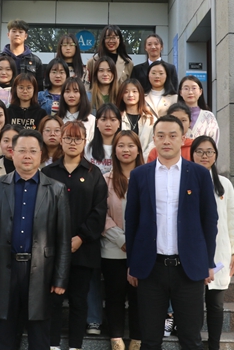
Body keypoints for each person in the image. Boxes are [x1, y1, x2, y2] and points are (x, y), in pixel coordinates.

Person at [124, 115, 218, 350]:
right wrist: (132, 263)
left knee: (191, 339)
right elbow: (131, 221)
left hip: (188, 269)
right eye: (161, 136)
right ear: (154, 139)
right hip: (150, 268)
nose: (166, 141)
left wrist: (208, 262)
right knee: (150, 340)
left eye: (172, 135)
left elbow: (209, 220)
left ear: (183, 139)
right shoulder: (139, 175)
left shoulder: (199, 174)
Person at [0, 129, 71, 350]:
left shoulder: (56, 190)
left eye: (33, 151)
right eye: (22, 150)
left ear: (41, 154)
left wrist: (60, 278)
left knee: (39, 338)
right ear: (12, 152)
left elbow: (63, 239)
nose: (27, 156)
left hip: (41, 272)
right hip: (3, 270)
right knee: (4, 338)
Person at [42, 121, 107, 350]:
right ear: (60, 140)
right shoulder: (48, 173)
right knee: (53, 299)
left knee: (79, 300)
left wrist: (81, 237)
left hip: (84, 249)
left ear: (84, 141)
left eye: (77, 138)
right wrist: (58, 240)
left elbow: (99, 211)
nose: (72, 143)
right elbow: (41, 210)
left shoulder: (94, 174)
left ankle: (75, 346)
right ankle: (52, 345)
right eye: (68, 138)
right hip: (52, 250)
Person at [190, 136, 234, 350]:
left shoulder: (225, 184)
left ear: (215, 155)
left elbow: (233, 220)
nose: (204, 156)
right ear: (192, 154)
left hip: (219, 252)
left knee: (215, 304)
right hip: (193, 251)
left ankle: (214, 345)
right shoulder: (186, 180)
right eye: (199, 151)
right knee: (193, 304)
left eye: (209, 151)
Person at [102, 130, 145, 350]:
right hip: (113, 249)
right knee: (115, 296)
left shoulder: (149, 178)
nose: (126, 150)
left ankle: (137, 339)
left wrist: (136, 243)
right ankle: (116, 340)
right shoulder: (105, 180)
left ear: (138, 150)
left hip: (143, 250)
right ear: (114, 150)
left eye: (130, 145)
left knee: (139, 297)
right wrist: (122, 239)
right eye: (121, 145)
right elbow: (101, 214)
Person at [0, 19, 43, 85]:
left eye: (20, 32)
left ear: (25, 36)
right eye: (14, 31)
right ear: (8, 35)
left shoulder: (35, 60)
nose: (17, 34)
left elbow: (39, 86)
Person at [117, 79, 156, 157]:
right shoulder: (116, 117)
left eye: (134, 91)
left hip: (145, 160)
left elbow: (153, 143)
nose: (130, 95)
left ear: (140, 94)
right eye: (126, 92)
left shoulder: (150, 119)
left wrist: (142, 159)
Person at [178, 76, 219, 143]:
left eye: (194, 88)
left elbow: (213, 141)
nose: (190, 92)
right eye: (186, 88)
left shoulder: (208, 116)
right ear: (180, 92)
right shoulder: (175, 116)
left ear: (200, 91)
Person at [85, 103, 122, 174]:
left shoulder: (124, 149)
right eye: (103, 119)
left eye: (113, 120)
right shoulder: (87, 149)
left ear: (119, 123)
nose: (108, 124)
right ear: (97, 123)